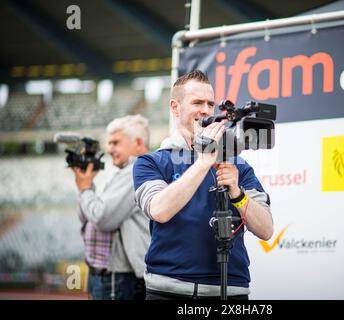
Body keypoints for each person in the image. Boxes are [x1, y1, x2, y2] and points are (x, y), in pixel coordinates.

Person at [133, 70, 273, 300]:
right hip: (167, 289)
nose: (206, 110)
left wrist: (238, 194)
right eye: (197, 102)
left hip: (231, 290)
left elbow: (266, 229)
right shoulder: (152, 161)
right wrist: (204, 161)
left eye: (210, 103)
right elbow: (159, 210)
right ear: (175, 107)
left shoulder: (238, 165)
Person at [73, 114, 151, 300]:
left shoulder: (136, 170)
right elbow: (86, 215)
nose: (109, 149)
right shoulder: (120, 171)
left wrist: (85, 188)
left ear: (138, 143)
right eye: (109, 143)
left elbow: (102, 219)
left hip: (120, 274)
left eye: (115, 143)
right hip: (107, 271)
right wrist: (86, 187)